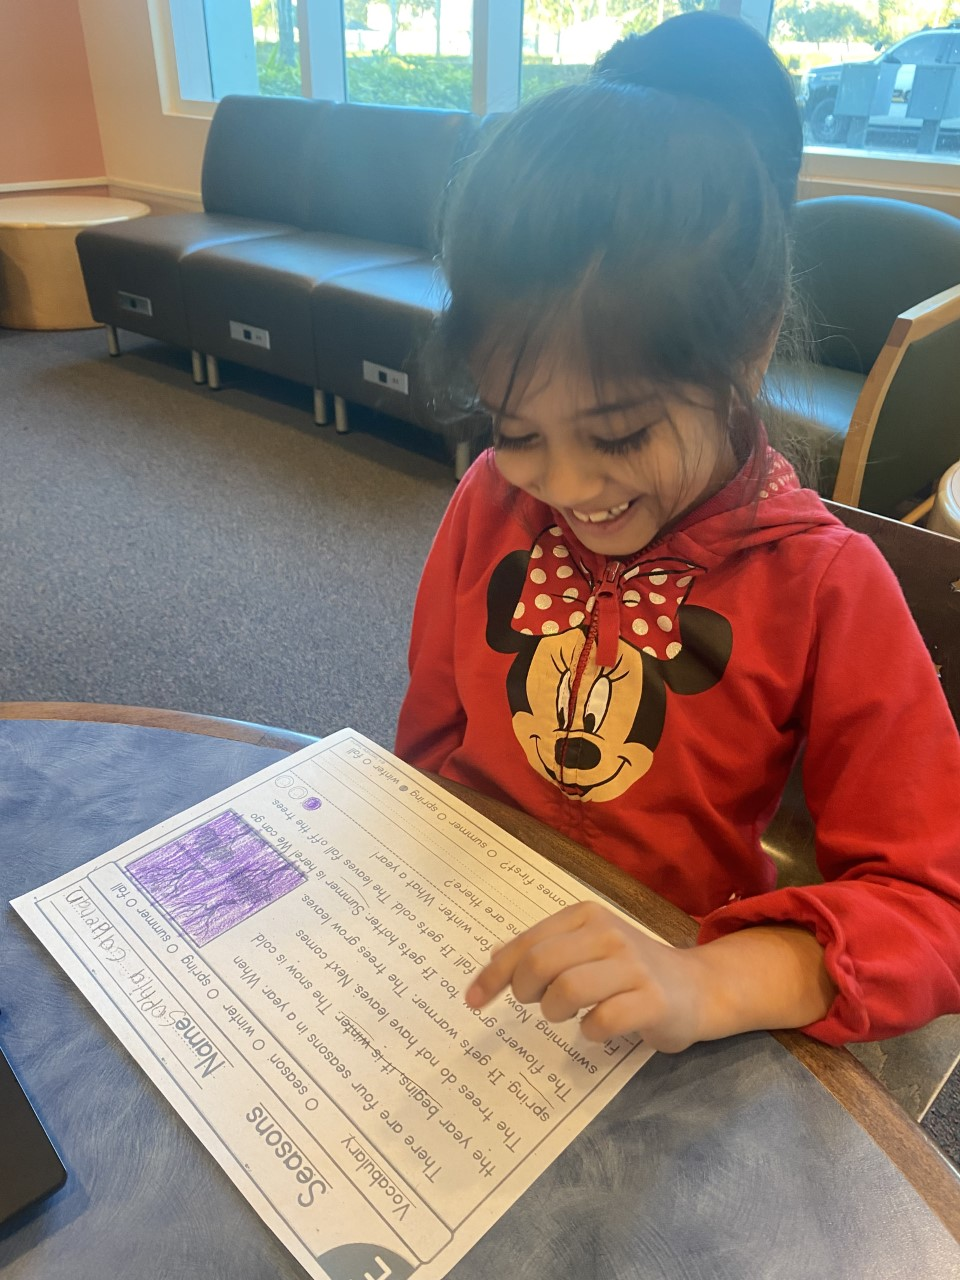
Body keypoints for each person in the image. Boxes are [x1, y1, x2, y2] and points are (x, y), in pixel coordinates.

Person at [395, 13, 960, 1053]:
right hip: (466, 971)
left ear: (748, 348)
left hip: (662, 1008)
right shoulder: (488, 497)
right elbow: (429, 749)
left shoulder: (827, 586)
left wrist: (710, 982)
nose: (564, 487)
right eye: (518, 430)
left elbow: (935, 902)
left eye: (619, 433)